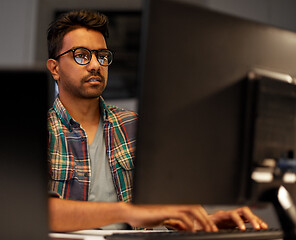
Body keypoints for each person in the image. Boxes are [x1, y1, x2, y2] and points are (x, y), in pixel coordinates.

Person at [46, 10, 268, 232]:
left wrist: (204, 222)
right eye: (82, 55)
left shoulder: (136, 127)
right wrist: (126, 211)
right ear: (55, 68)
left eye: (101, 56)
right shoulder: (38, 133)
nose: (95, 65)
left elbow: (168, 210)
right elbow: (37, 211)